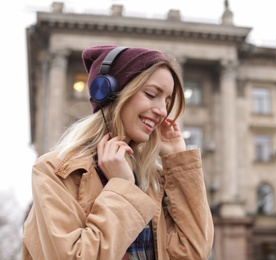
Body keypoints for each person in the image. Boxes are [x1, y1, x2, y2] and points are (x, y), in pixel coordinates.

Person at [22, 45, 214, 259]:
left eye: (167, 102)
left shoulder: (153, 179)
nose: (162, 111)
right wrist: (122, 187)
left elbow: (193, 253)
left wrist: (178, 162)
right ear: (109, 93)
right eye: (151, 95)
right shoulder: (55, 172)